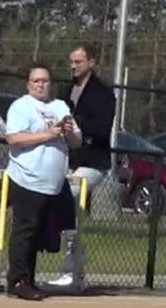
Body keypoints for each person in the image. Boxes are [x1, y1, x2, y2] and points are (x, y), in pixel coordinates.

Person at [4, 62, 83, 301]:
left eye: (45, 81)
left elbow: (76, 142)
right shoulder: (21, 106)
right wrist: (48, 134)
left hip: (53, 184)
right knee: (25, 231)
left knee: (39, 234)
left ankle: (28, 279)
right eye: (36, 81)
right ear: (28, 84)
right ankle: (18, 280)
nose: (41, 85)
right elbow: (14, 138)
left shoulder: (60, 107)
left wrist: (67, 131)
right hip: (27, 179)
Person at [47, 44, 117, 289]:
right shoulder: (67, 91)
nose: (73, 66)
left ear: (91, 62)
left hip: (93, 163)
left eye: (78, 62)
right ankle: (77, 271)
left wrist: (77, 124)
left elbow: (102, 129)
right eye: (72, 61)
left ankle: (72, 270)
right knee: (70, 213)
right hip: (68, 160)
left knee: (69, 199)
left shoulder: (103, 94)